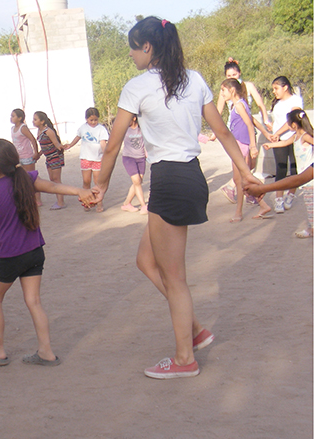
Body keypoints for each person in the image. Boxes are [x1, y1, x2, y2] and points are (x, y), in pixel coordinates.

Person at [93, 16, 263, 379]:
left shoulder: (137, 87)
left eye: (133, 47)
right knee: (145, 260)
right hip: (189, 176)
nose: (130, 53)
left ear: (148, 47)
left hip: (170, 179)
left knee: (175, 278)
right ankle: (196, 329)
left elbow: (112, 146)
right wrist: (245, 170)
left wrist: (101, 187)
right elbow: (222, 132)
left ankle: (185, 358)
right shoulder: (195, 79)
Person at [0, 139, 94, 366]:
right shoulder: (26, 179)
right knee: (34, 301)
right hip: (34, 251)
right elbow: (55, 187)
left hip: (9, 256)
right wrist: (80, 191)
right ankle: (46, 352)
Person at [249, 110, 314, 238]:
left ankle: (311, 228)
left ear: (294, 124)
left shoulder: (306, 136)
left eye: (288, 123)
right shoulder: (296, 136)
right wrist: (271, 145)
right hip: (304, 177)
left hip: (309, 177)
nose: (287, 125)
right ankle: (311, 227)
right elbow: (284, 143)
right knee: (310, 206)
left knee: (311, 205)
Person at [219, 79, 272, 221]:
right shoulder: (240, 104)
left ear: (231, 90)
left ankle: (240, 212)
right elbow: (252, 121)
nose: (222, 94)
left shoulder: (239, 105)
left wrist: (252, 145)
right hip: (238, 145)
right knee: (241, 179)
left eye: (223, 90)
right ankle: (261, 204)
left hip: (240, 146)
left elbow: (249, 124)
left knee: (240, 180)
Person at [268, 76, 304, 213]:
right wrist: (273, 131)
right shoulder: (277, 104)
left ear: (285, 87)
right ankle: (279, 199)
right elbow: (278, 121)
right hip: (279, 140)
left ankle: (291, 195)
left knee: (295, 168)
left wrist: (278, 132)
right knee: (281, 168)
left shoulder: (295, 100)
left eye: (276, 88)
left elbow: (292, 120)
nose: (274, 92)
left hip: (294, 138)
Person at [65, 107, 110, 212]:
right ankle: (87, 202)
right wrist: (70, 145)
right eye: (91, 120)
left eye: (95, 120)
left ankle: (99, 203)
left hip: (97, 159)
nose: (93, 122)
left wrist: (105, 155)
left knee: (97, 182)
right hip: (85, 158)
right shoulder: (83, 128)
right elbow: (77, 137)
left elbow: (103, 143)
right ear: (86, 119)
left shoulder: (101, 129)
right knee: (86, 182)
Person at [216, 58, 271, 131]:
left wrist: (266, 121)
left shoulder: (249, 86)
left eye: (234, 74)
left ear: (239, 73)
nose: (232, 77)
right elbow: (218, 111)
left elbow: (260, 104)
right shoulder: (224, 90)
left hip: (248, 126)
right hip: (233, 127)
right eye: (229, 76)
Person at [33, 111, 66, 209]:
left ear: (42, 121)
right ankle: (59, 200)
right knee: (52, 179)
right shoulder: (39, 131)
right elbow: (45, 146)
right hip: (48, 157)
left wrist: (64, 147)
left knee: (56, 180)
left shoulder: (48, 131)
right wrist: (39, 154)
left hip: (55, 156)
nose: (33, 121)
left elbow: (56, 144)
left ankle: (61, 202)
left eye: (35, 119)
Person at [10, 109, 42, 206]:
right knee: (22, 178)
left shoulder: (23, 128)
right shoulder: (12, 129)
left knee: (31, 178)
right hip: (19, 157)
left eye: (13, 116)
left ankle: (37, 199)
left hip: (27, 156)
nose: (11, 118)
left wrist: (36, 152)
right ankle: (28, 198)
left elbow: (32, 139)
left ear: (20, 118)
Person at [120, 116, 149, 214]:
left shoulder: (141, 128)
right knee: (136, 181)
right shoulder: (124, 129)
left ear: (134, 118)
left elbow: (145, 142)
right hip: (129, 158)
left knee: (138, 182)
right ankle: (143, 206)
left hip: (141, 158)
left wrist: (147, 153)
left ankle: (126, 204)